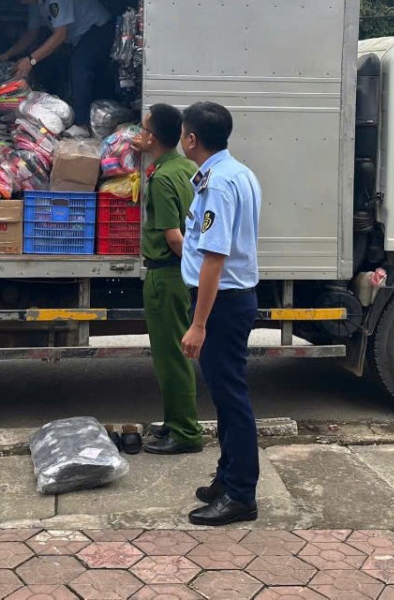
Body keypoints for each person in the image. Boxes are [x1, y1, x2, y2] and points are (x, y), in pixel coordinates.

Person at [178, 101, 263, 526]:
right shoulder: (238, 172)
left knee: (231, 398)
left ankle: (241, 495)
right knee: (226, 394)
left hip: (222, 302)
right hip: (230, 298)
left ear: (191, 139)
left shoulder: (218, 184)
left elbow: (214, 258)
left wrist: (198, 324)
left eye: (182, 133)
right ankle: (227, 479)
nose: (181, 139)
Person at [132, 104, 203, 456]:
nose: (140, 133)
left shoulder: (161, 179)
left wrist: (189, 267)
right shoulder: (185, 167)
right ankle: (176, 421)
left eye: (144, 129)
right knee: (174, 354)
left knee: (170, 357)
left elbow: (174, 237)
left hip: (165, 275)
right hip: (177, 276)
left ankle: (186, 433)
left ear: (152, 136)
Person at [0, 0, 115, 136]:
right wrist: (7, 55)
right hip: (77, 37)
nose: (21, 2)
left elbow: (60, 35)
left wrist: (31, 60)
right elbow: (31, 34)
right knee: (57, 66)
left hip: (98, 29)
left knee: (79, 67)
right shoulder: (35, 1)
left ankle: (82, 125)